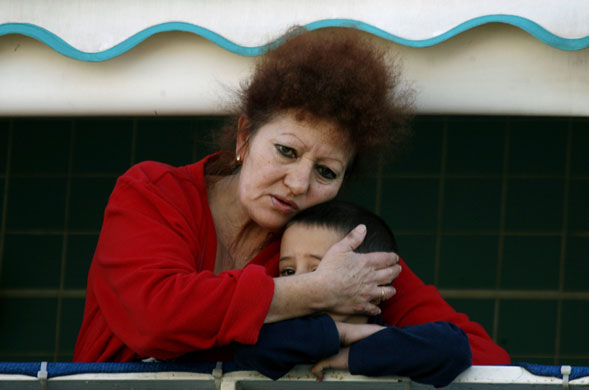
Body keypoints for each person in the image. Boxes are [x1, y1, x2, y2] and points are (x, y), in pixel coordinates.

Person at [73, 27, 510, 365]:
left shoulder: (327, 247)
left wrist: (353, 350)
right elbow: (157, 319)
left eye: (325, 171)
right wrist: (316, 291)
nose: (299, 184)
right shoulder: (154, 192)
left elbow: (484, 357)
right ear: (245, 136)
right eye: (286, 151)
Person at [233, 201, 472, 387]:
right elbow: (251, 348)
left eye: (319, 270)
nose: (300, 282)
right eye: (288, 270)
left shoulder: (387, 337)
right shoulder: (280, 331)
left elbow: (453, 347)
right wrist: (344, 334)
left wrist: (349, 357)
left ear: (374, 282)